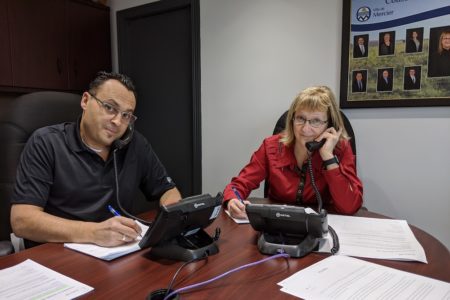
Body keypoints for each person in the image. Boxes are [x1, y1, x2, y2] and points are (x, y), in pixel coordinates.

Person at [10, 71, 182, 248]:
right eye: (110, 107)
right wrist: (93, 232)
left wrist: (170, 222)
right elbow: (22, 221)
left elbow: (168, 191)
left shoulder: (134, 144)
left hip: (117, 252)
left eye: (126, 115)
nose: (117, 121)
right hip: (59, 255)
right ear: (85, 101)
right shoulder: (46, 142)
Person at [223, 86, 363, 219]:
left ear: (330, 125)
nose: (305, 129)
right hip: (278, 225)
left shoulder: (340, 149)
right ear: (292, 119)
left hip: (322, 227)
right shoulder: (272, 146)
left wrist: (328, 158)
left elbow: (349, 207)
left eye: (315, 121)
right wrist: (233, 200)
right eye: (300, 118)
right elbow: (238, 185)